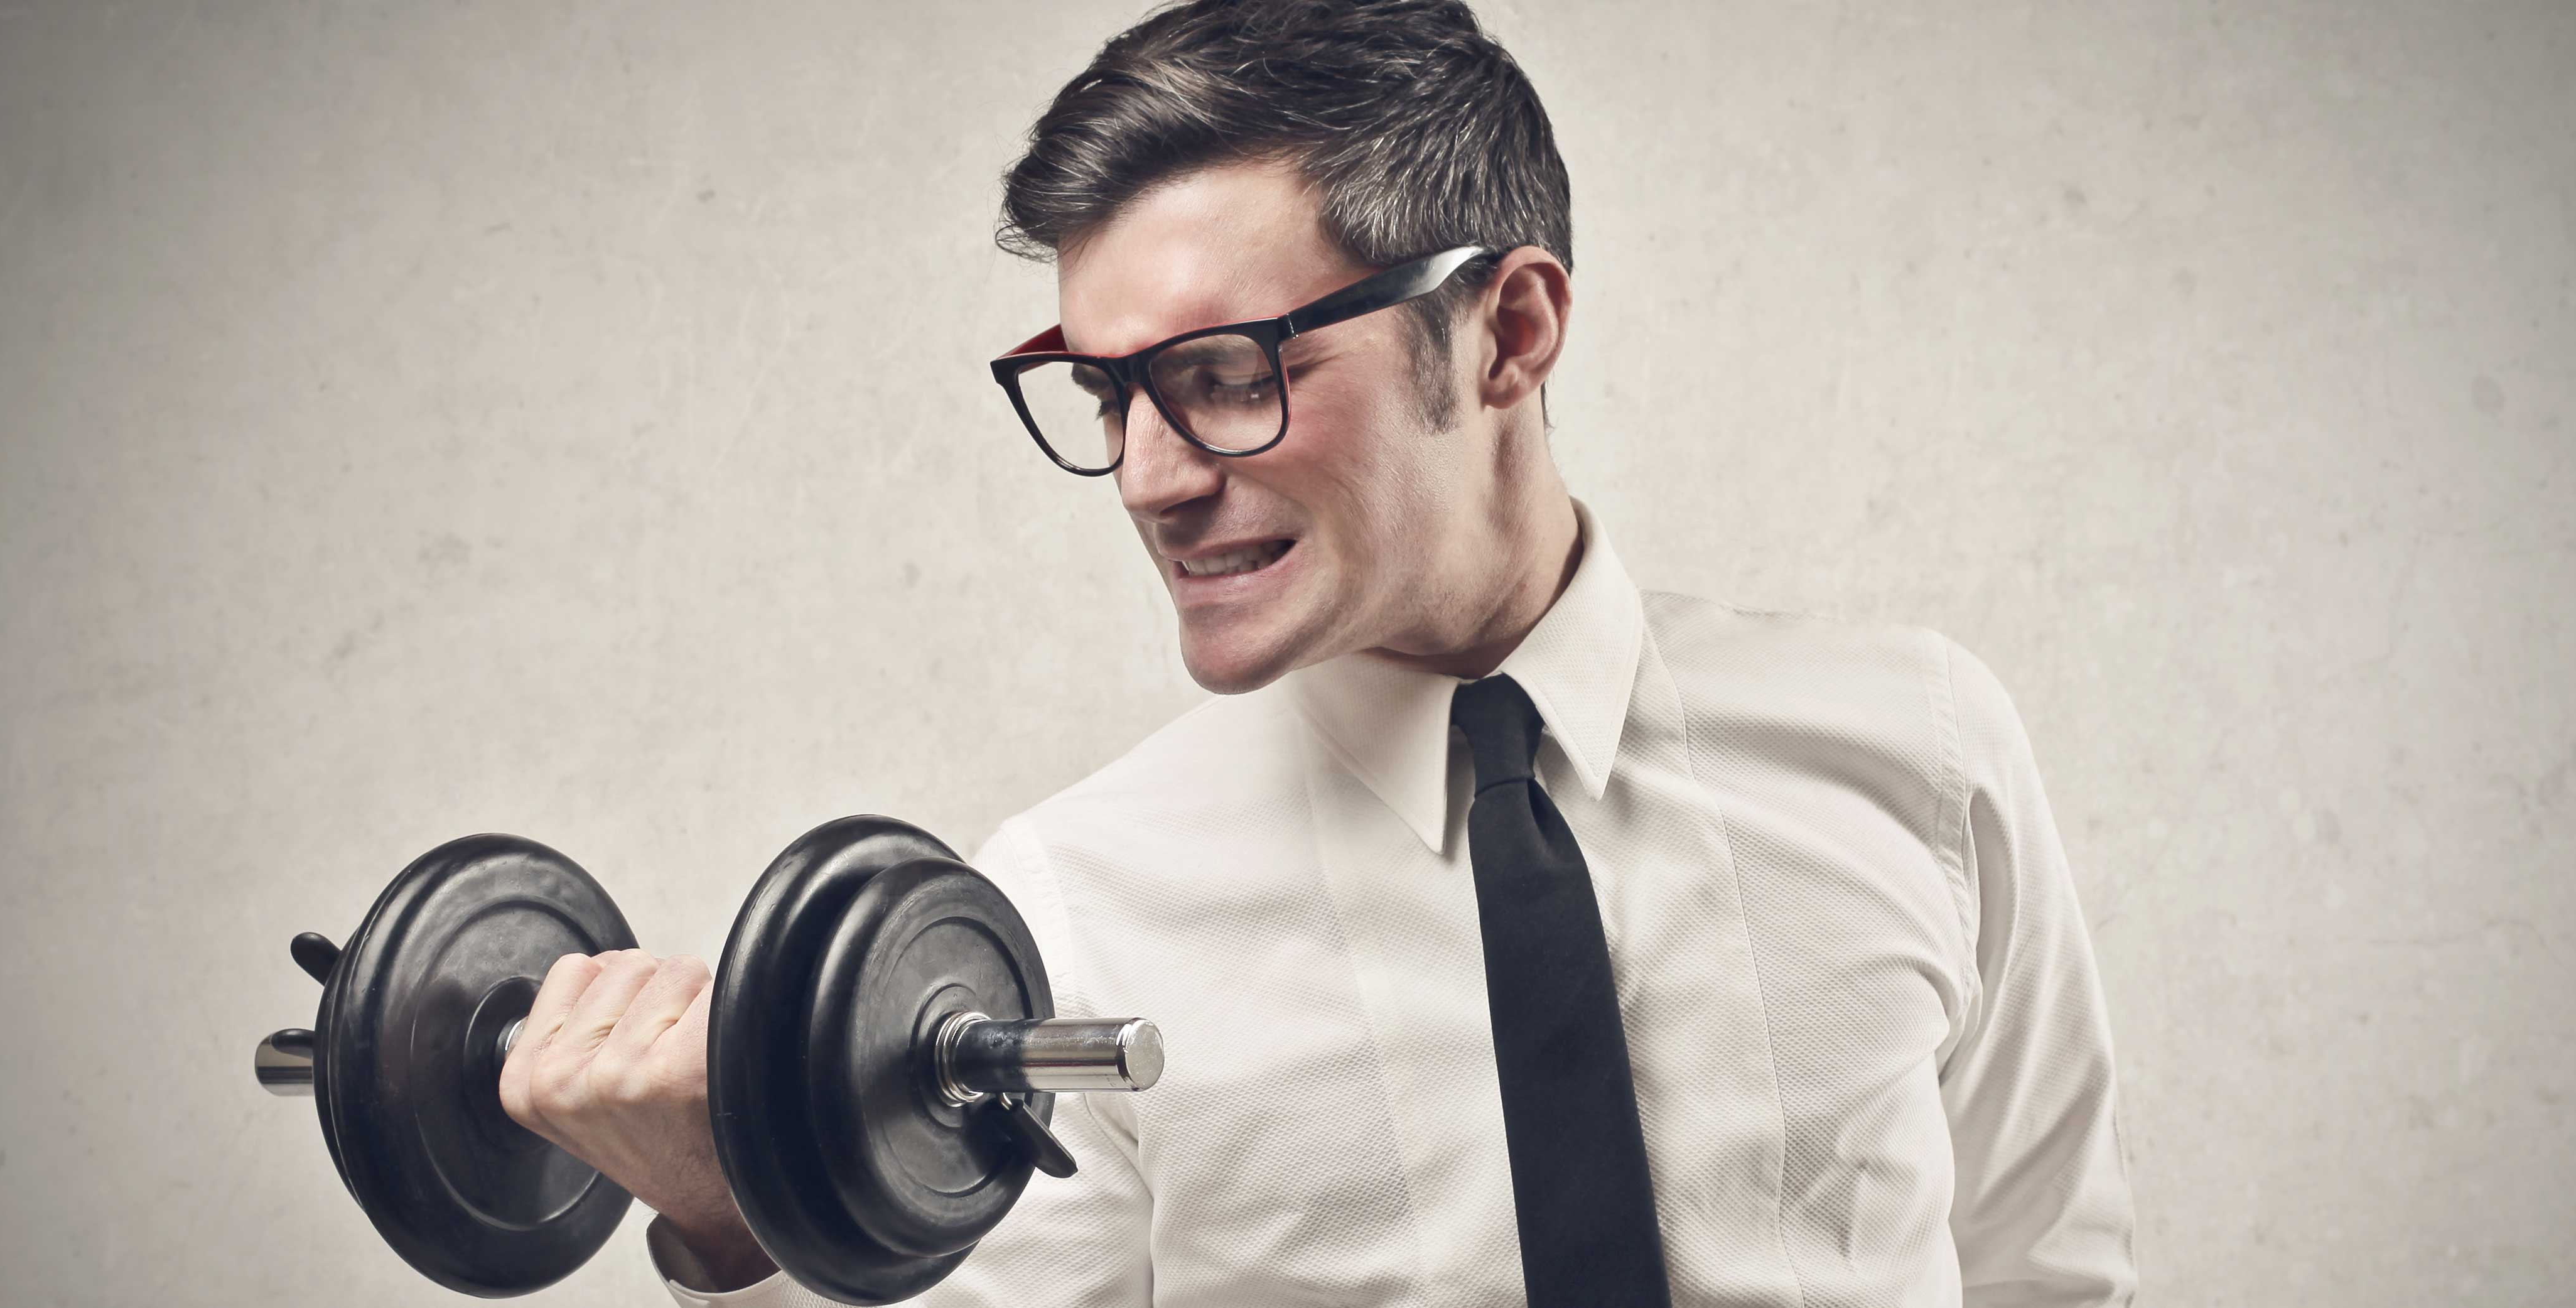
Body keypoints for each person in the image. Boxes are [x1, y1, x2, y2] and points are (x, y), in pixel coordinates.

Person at [498, 2, 2139, 1304]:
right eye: (1107, 394)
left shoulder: (1923, 747)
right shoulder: (1065, 913)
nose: (1148, 478)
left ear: (1509, 330)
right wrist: (741, 1226)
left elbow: (2048, 1275)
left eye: (1224, 374)